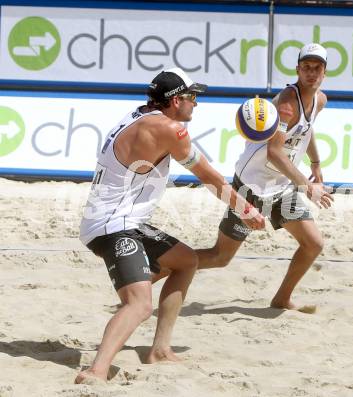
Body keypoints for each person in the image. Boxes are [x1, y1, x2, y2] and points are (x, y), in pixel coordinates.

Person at [76, 68, 265, 384]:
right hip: (113, 226)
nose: (196, 104)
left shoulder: (139, 116)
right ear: (175, 100)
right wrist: (245, 209)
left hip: (123, 221)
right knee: (139, 304)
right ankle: (96, 371)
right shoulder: (167, 129)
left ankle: (160, 350)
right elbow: (209, 177)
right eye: (192, 97)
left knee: (186, 260)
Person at [197, 43, 334, 310]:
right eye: (306, 67)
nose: (311, 72)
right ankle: (155, 272)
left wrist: (315, 163)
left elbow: (307, 130)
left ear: (324, 72)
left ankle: (282, 299)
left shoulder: (320, 100)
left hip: (281, 185)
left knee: (313, 244)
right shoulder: (286, 103)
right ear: (297, 69)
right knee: (221, 257)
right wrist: (308, 187)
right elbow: (274, 152)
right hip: (252, 185)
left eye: (317, 67)